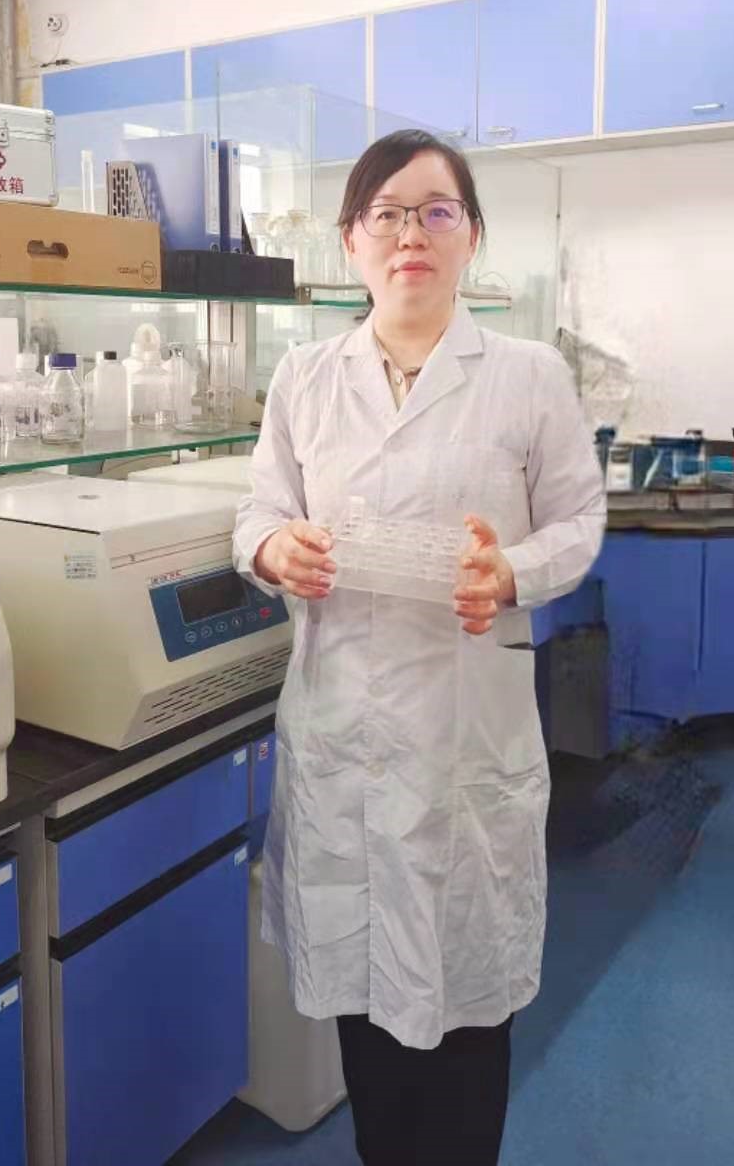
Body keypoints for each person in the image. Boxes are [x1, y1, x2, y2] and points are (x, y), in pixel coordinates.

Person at [233, 129, 605, 1166]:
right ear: (351, 240)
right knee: (365, 1013)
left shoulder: (528, 376)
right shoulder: (305, 377)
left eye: (437, 212)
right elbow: (259, 506)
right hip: (342, 737)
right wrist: (272, 547)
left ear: (470, 236)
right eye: (387, 214)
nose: (412, 235)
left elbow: (580, 521)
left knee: (468, 1019)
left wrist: (511, 572)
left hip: (461, 745)